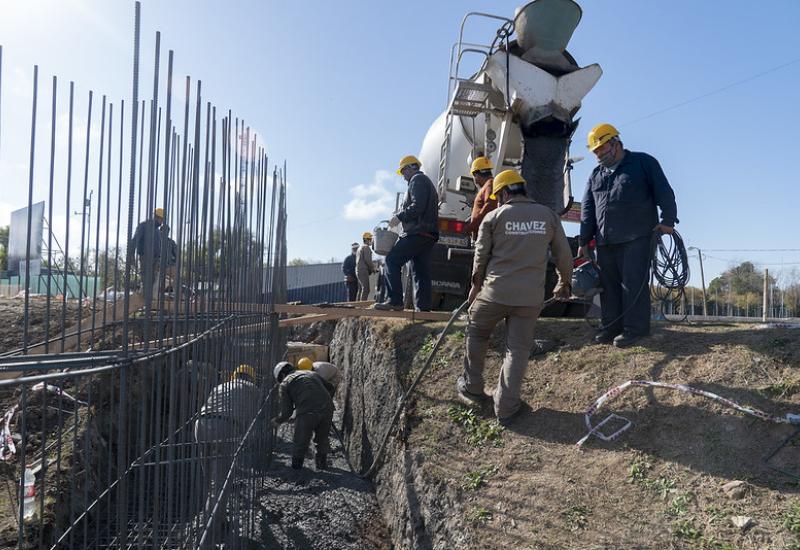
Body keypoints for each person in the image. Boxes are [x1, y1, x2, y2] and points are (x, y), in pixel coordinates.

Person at [457, 170, 573, 425]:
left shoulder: (494, 217)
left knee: (477, 333)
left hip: (493, 293)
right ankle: (506, 408)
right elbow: (564, 255)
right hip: (529, 298)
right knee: (517, 350)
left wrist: (475, 288)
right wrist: (564, 282)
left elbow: (481, 257)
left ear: (505, 193)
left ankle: (473, 386)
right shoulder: (548, 216)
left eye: (499, 196)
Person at [578, 123, 678, 348]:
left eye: (602, 149)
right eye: (595, 151)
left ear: (615, 143)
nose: (599, 154)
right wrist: (584, 240)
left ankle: (635, 329)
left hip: (638, 237)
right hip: (605, 241)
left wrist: (668, 221)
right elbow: (587, 208)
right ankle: (611, 326)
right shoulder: (596, 174)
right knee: (609, 286)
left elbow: (664, 191)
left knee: (633, 284)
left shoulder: (643, 163)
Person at [193, 364, 260, 542]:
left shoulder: (219, 386)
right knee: (221, 483)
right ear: (251, 378)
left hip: (200, 424)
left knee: (207, 476)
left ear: (234, 376)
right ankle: (211, 529)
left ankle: (208, 515)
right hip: (225, 427)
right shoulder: (253, 389)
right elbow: (253, 420)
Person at [374, 155, 439, 311]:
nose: (403, 176)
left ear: (412, 167)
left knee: (392, 260)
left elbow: (418, 206)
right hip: (428, 234)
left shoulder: (417, 180)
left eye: (403, 171)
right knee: (420, 271)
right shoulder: (425, 182)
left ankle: (395, 301)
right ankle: (423, 308)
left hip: (417, 232)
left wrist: (399, 216)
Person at [272, 361, 335, 470]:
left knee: (300, 441)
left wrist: (278, 421)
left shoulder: (285, 383)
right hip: (328, 408)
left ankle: (297, 468)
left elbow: (287, 412)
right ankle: (322, 465)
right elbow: (330, 387)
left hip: (307, 412)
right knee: (322, 438)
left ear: (282, 375)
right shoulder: (311, 373)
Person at [130, 207, 164, 299]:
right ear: (157, 217)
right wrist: (131, 255)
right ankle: (145, 299)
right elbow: (135, 240)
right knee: (146, 278)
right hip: (145, 256)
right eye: (161, 220)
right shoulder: (144, 226)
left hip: (155, 258)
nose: (162, 222)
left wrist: (159, 258)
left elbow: (159, 246)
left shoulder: (157, 231)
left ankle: (148, 298)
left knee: (153, 279)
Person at [467, 156, 497, 239]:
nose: (475, 181)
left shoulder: (490, 184)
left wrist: (472, 226)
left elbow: (490, 204)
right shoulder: (488, 185)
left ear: (476, 175)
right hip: (482, 234)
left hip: (484, 235)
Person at [356, 232, 377, 301]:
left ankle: (357, 306)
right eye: (371, 239)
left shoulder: (360, 248)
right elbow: (368, 260)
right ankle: (362, 306)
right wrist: (373, 268)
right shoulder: (366, 247)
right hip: (363, 271)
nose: (371, 241)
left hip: (358, 271)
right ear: (367, 239)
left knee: (360, 289)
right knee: (366, 289)